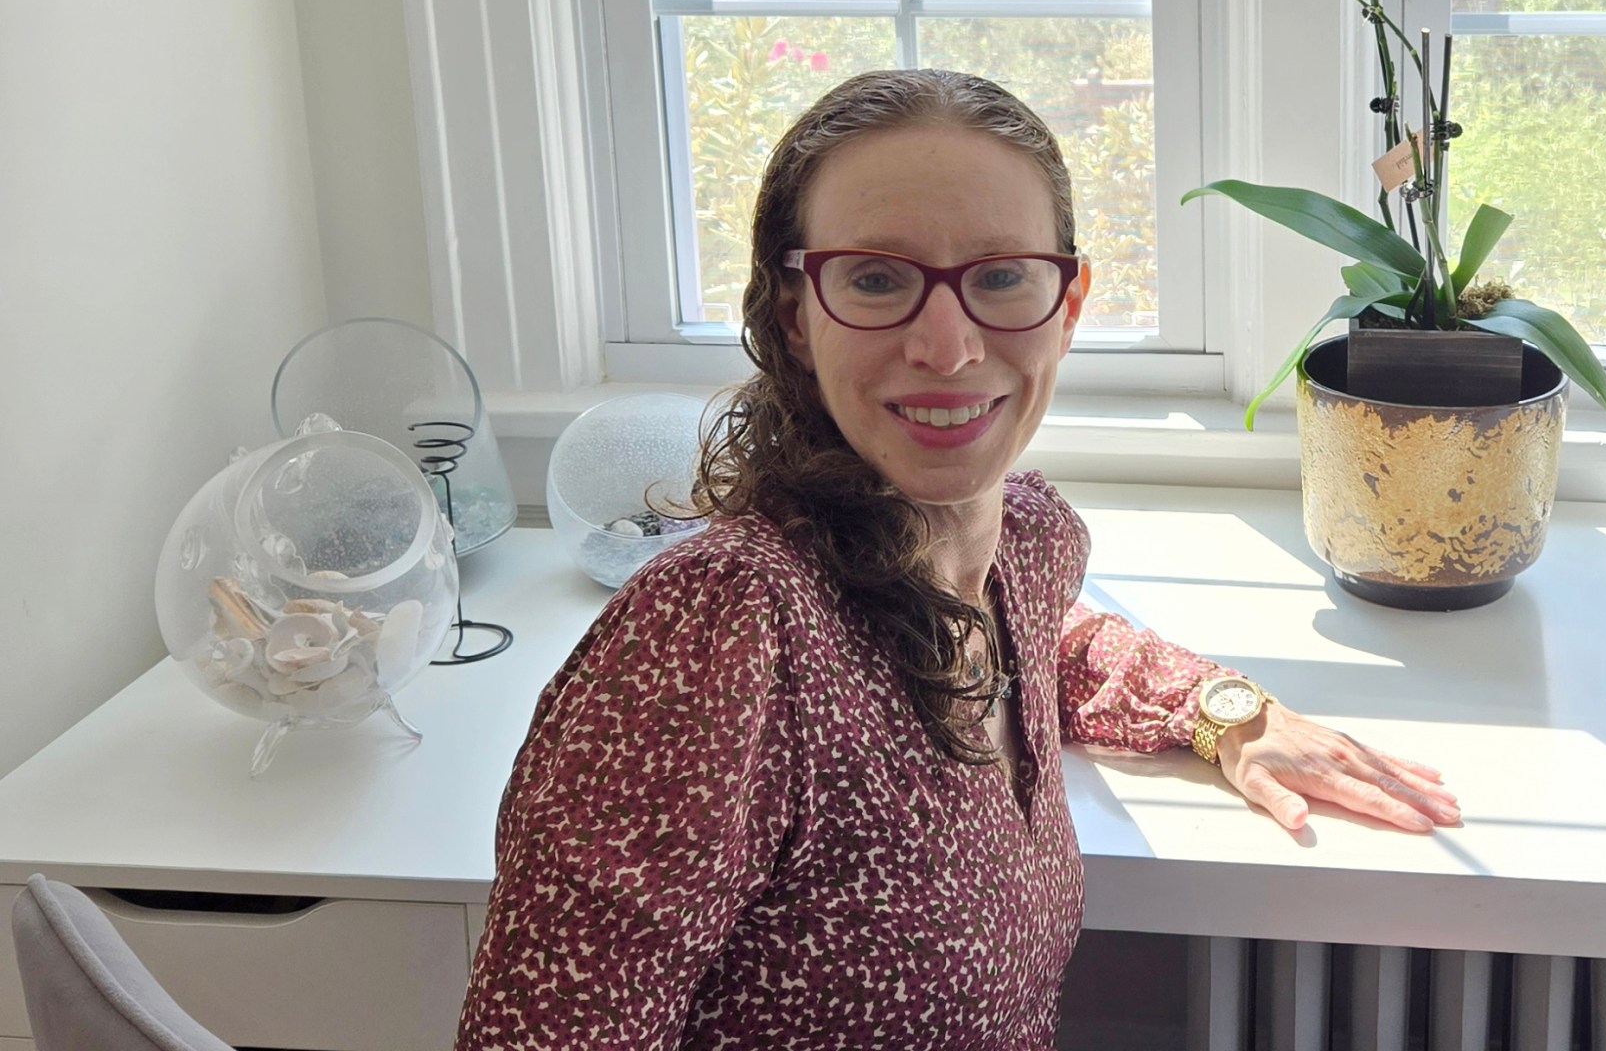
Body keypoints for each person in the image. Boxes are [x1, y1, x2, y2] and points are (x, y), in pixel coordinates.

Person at [456, 68, 1459, 1049]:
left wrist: (1224, 715)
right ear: (795, 314)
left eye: (1000, 277)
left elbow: (1050, 643)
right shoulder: (720, 635)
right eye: (878, 279)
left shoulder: (1020, 542)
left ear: (1066, 305)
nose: (947, 346)